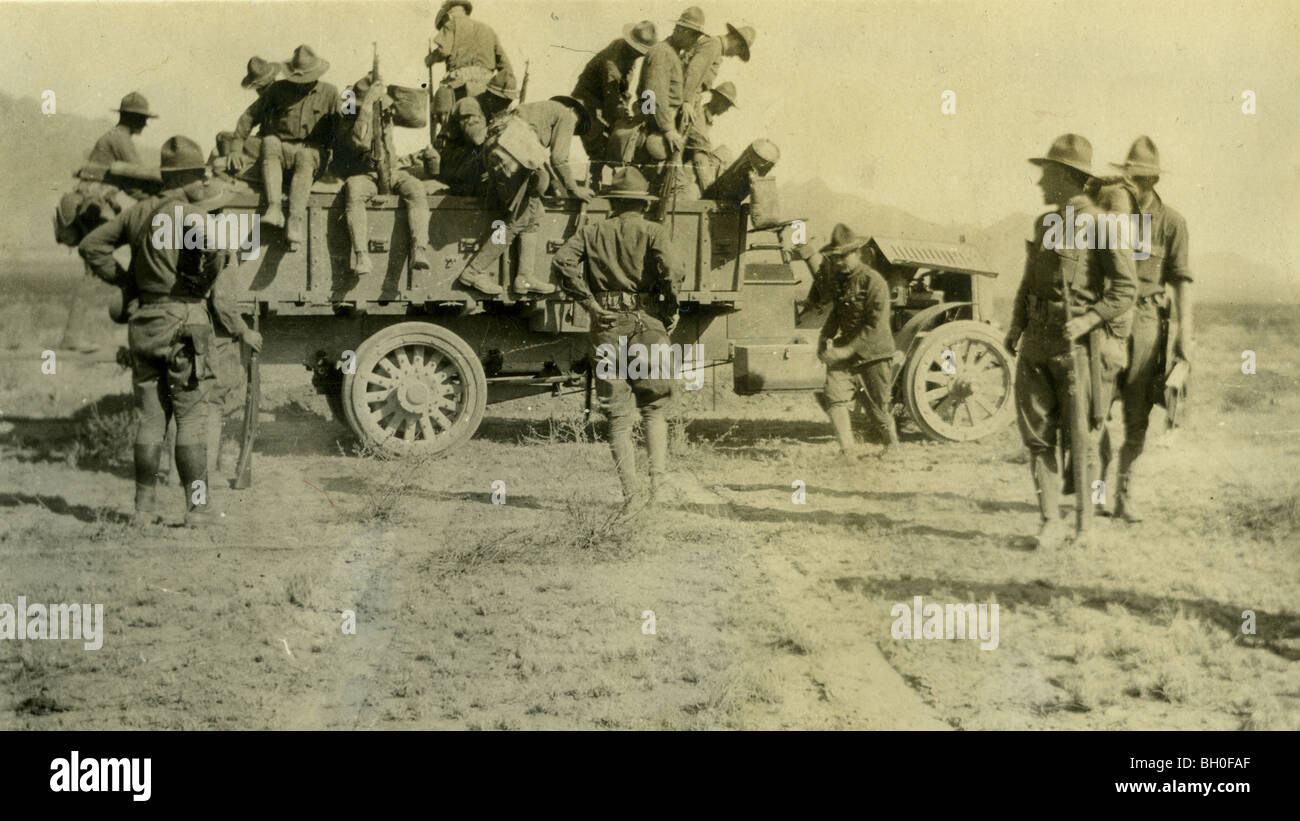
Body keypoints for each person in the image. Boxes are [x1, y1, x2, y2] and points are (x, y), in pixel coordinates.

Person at [79, 136, 264, 527]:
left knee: (149, 421)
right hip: (185, 323)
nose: (205, 182)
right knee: (192, 420)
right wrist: (198, 286)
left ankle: (143, 512)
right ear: (188, 179)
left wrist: (129, 283)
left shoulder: (136, 213)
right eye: (201, 176)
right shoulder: (188, 214)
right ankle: (197, 510)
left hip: (144, 324)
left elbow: (92, 245)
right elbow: (214, 252)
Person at [1004, 134, 1136, 548]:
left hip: (1079, 348)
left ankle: (1084, 528)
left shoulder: (1102, 225)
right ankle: (1049, 523)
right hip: (1037, 344)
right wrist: (1015, 327)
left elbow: (1125, 289)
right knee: (1037, 435)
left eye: (1047, 175)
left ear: (1067, 177)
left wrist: (1087, 322)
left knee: (1082, 438)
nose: (1040, 184)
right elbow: (1029, 282)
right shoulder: (1044, 224)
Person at [552, 167, 682, 515]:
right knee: (654, 408)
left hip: (607, 326)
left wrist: (591, 305)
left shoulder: (593, 231)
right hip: (647, 325)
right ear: (642, 203)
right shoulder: (655, 231)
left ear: (614, 201)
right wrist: (669, 310)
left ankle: (631, 496)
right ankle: (660, 488)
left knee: (618, 417)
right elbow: (673, 271)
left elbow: (562, 261)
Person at [1099, 136, 1193, 522]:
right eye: (1126, 176)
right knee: (1094, 411)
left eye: (1135, 178)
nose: (1126, 184)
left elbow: (1182, 282)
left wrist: (1186, 336)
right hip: (1106, 322)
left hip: (1148, 326)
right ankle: (1096, 492)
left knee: (1137, 418)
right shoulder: (1110, 216)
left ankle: (1124, 495)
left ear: (1152, 181)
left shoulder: (1172, 223)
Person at [458, 74, 595, 296]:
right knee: (516, 221)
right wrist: (574, 189)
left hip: (498, 150)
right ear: (576, 113)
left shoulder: (539, 110)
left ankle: (524, 278)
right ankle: (474, 271)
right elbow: (559, 159)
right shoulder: (567, 116)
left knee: (534, 215)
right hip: (512, 152)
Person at [228, 45, 340, 252]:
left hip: (313, 153)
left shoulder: (331, 92)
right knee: (270, 141)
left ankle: (295, 222)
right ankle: (274, 208)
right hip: (282, 153)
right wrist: (236, 148)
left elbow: (344, 122)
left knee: (305, 156)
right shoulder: (277, 90)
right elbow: (249, 117)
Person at [334, 70, 434, 275]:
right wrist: (367, 108)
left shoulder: (385, 114)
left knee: (416, 188)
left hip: (391, 170)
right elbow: (358, 141)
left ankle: (419, 249)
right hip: (366, 173)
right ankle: (361, 255)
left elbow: (413, 121)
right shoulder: (349, 119)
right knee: (354, 189)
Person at [817, 225, 898, 459]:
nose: (840, 262)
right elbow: (837, 313)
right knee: (834, 395)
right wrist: (825, 337)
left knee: (878, 409)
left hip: (875, 353)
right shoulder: (840, 281)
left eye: (844, 256)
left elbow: (876, 327)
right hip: (847, 351)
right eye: (836, 257)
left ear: (857, 253)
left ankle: (892, 446)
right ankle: (847, 450)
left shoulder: (874, 282)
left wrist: (844, 351)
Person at [606, 7, 706, 177]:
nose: (695, 41)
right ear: (680, 31)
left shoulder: (672, 54)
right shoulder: (662, 52)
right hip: (657, 128)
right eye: (693, 35)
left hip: (660, 124)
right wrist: (667, 129)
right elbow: (652, 94)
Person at [570, 20, 657, 184]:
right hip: (589, 102)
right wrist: (622, 113)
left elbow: (628, 88)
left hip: (607, 100)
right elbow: (612, 96)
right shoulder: (612, 61)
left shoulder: (630, 55)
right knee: (600, 141)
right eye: (637, 51)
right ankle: (595, 182)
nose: (639, 55)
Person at [425, 0, 513, 139]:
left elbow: (444, 50)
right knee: (486, 129)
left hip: (460, 86)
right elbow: (504, 64)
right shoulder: (488, 29)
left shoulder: (450, 24)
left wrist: (430, 58)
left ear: (448, 13)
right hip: (487, 88)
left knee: (452, 131)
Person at [211, 57, 282, 176]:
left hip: (276, 149)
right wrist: (234, 151)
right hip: (262, 144)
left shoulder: (282, 96)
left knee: (224, 141)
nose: (259, 92)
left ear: (272, 80)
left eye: (262, 87)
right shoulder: (265, 100)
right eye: (258, 89)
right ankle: (235, 162)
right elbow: (246, 119)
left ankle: (238, 167)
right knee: (224, 137)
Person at [684, 81, 737, 194]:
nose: (726, 109)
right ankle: (709, 193)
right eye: (726, 104)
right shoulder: (699, 116)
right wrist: (707, 190)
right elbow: (699, 152)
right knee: (723, 154)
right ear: (717, 99)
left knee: (724, 152)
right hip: (687, 163)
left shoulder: (707, 118)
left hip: (694, 160)